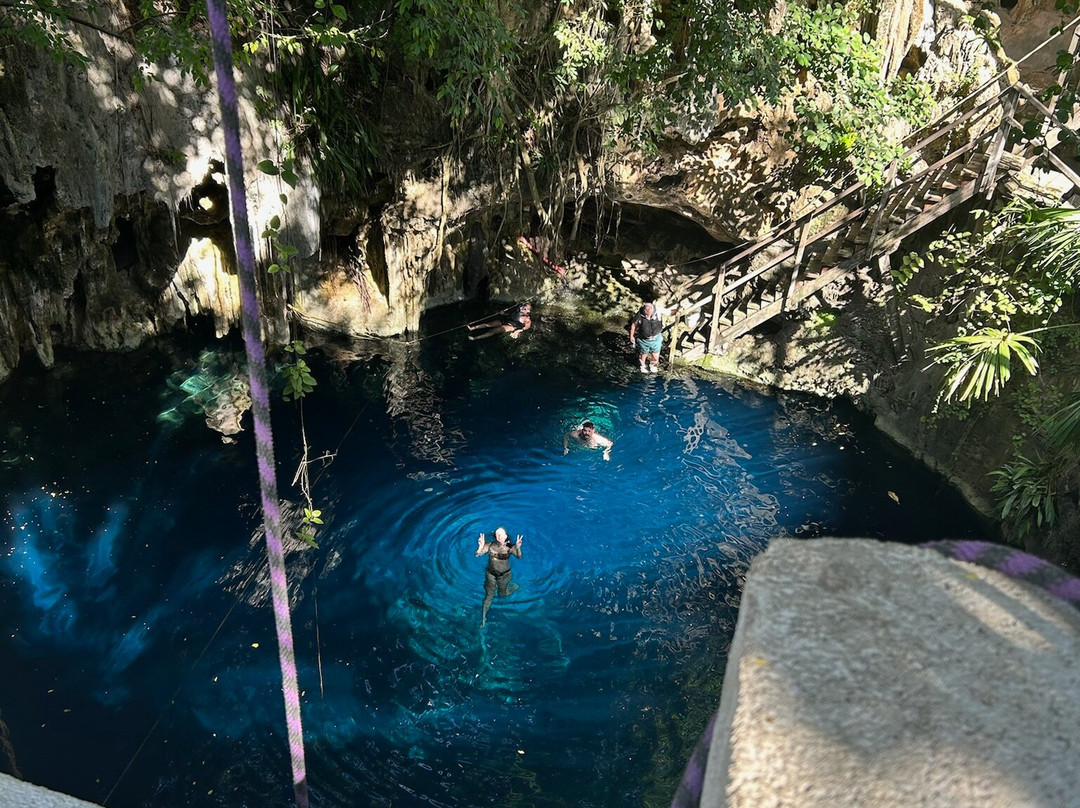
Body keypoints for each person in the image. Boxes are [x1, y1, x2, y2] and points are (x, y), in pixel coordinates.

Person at [476, 527, 523, 626]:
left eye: (501, 534)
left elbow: (519, 557)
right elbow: (477, 554)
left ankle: (513, 588)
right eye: (497, 534)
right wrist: (480, 546)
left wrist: (518, 548)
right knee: (489, 595)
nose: (499, 536)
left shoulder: (510, 547)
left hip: (504, 575)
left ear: (506, 536)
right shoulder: (490, 545)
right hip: (490, 574)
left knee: (502, 594)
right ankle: (484, 618)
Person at [629, 301, 672, 373]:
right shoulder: (639, 314)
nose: (647, 317)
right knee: (643, 353)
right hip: (644, 339)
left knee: (656, 355)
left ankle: (653, 365)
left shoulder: (658, 310)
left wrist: (677, 311)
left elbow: (670, 313)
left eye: (649, 315)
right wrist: (631, 336)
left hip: (656, 338)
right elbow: (633, 325)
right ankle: (642, 366)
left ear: (652, 311)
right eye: (646, 315)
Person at [468, 302, 532, 340]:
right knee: (488, 324)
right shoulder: (517, 310)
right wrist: (503, 313)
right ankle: (472, 328)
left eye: (526, 309)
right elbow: (510, 314)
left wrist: (517, 331)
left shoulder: (527, 319)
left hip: (512, 326)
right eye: (524, 307)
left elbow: (526, 327)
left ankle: (475, 338)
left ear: (528, 311)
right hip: (506, 320)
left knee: (493, 330)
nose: (524, 308)